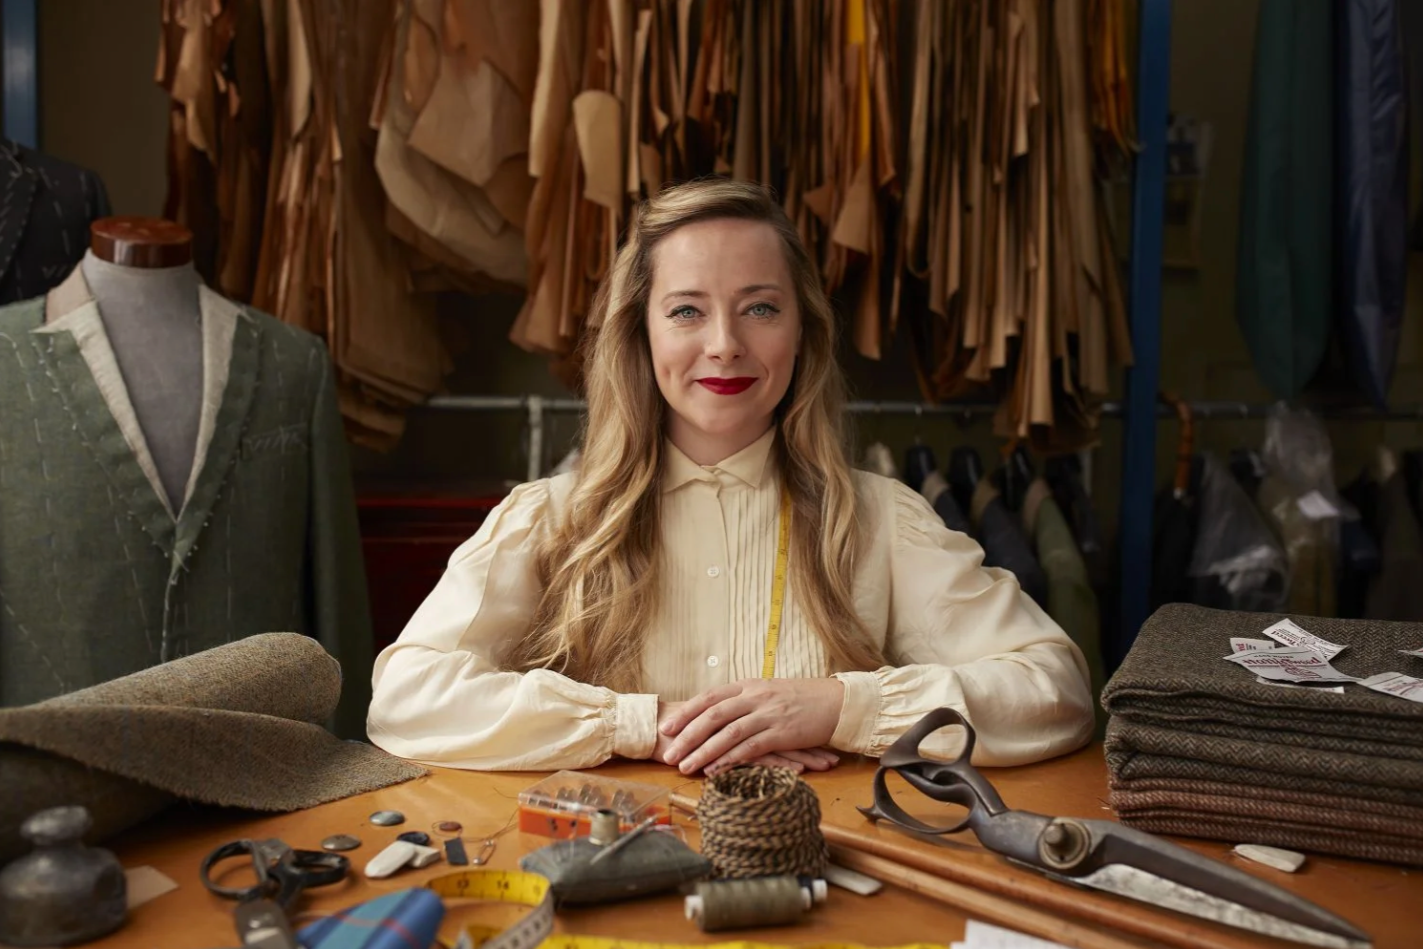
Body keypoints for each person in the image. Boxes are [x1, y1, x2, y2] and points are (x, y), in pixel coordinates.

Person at [367, 179, 1094, 774]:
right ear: (640, 333)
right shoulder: (550, 519)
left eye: (759, 309)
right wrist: (637, 724)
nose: (724, 345)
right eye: (686, 310)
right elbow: (405, 698)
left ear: (801, 330)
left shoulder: (882, 520)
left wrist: (841, 708)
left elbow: (1056, 690)